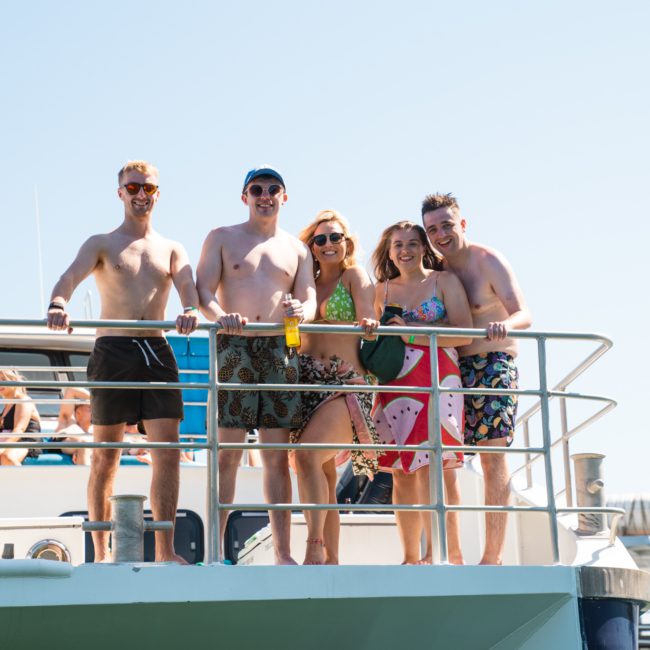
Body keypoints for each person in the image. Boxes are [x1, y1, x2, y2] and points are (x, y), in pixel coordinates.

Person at [47, 160, 200, 563]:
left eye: (148, 188)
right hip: (113, 351)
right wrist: (58, 303)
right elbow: (68, 277)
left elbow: (188, 286)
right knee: (105, 456)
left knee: (167, 451)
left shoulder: (171, 247)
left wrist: (190, 309)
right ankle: (100, 552)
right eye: (133, 187)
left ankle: (165, 551)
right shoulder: (101, 243)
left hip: (156, 350)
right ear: (120, 193)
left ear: (157, 194)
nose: (140, 195)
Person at [196, 165, 316, 565]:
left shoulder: (297, 249)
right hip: (235, 348)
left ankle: (283, 552)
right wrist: (220, 316)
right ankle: (214, 548)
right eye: (256, 189)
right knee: (227, 453)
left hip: (280, 350)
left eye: (273, 189)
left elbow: (309, 301)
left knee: (276, 457)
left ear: (284, 196)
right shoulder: (222, 238)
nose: (265, 195)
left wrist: (302, 309)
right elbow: (203, 294)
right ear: (244, 196)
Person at [422, 193, 532, 565]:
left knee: (492, 458)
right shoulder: (433, 270)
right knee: (445, 460)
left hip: (492, 363)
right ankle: (451, 554)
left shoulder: (488, 260)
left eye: (447, 225)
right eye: (432, 229)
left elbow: (524, 313)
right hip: (450, 366)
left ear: (462, 224)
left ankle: (492, 556)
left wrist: (504, 325)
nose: (441, 234)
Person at [371, 221, 472, 564]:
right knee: (401, 472)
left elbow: (465, 334)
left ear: (423, 247)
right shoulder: (380, 291)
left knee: (439, 467)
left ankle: (447, 552)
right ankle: (411, 556)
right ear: (389, 250)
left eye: (413, 243)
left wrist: (411, 332)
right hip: (394, 382)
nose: (405, 250)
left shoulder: (443, 281)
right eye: (398, 244)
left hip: (439, 378)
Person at [291, 210, 380, 565]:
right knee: (322, 470)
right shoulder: (304, 283)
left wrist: (369, 322)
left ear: (347, 242)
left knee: (308, 457)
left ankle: (314, 545)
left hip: (345, 383)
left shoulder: (354, 276)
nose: (329, 244)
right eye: (321, 239)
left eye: (336, 237)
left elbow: (367, 314)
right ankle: (332, 559)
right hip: (307, 384)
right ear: (311, 247)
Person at [0, 369, 42, 465]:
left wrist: (2, 447)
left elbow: (19, 430)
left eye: (3, 380)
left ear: (13, 380)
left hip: (26, 441)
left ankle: (26, 480)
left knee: (7, 457)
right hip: (11, 441)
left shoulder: (23, 400)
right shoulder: (6, 405)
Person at [54, 387, 93, 465]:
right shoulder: (68, 421)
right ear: (78, 412)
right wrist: (96, 400)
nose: (95, 411)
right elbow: (71, 390)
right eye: (90, 408)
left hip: (86, 449)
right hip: (64, 444)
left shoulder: (95, 430)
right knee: (85, 444)